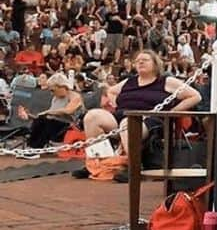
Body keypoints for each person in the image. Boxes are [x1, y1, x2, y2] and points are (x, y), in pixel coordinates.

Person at [72, 50, 202, 181]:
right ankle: (96, 164)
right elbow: (111, 91)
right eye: (138, 60)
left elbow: (195, 96)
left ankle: (133, 167)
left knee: (128, 122)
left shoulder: (167, 81)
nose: (140, 62)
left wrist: (172, 111)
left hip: (148, 120)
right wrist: (117, 104)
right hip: (120, 116)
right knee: (92, 116)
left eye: (145, 60)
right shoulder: (129, 82)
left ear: (155, 64)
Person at [27, 73, 83, 148]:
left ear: (62, 87)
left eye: (53, 90)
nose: (52, 93)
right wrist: (33, 115)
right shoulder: (55, 98)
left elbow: (69, 111)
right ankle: (32, 146)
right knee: (40, 120)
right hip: (55, 125)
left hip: (68, 126)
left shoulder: (74, 96)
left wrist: (48, 112)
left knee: (46, 122)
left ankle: (35, 148)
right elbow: (51, 113)